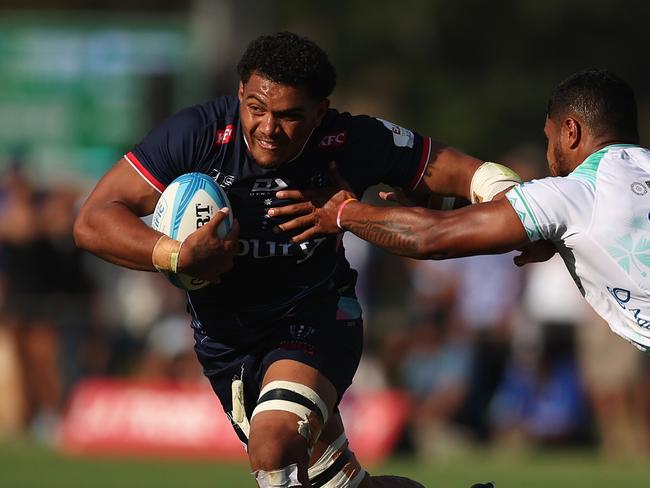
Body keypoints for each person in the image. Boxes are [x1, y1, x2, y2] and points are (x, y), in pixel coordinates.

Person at [74, 32, 517, 487]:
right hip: (226, 342)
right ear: (240, 93)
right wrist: (176, 254)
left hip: (315, 315)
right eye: (256, 108)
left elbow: (477, 177)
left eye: (288, 116)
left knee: (272, 445)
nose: (268, 129)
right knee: (340, 486)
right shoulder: (196, 135)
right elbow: (93, 220)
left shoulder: (350, 140)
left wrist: (521, 210)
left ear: (320, 111)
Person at [271, 68, 650, 353]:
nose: (551, 157)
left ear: (571, 131)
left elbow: (432, 237)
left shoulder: (572, 192)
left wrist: (345, 212)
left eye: (549, 140)